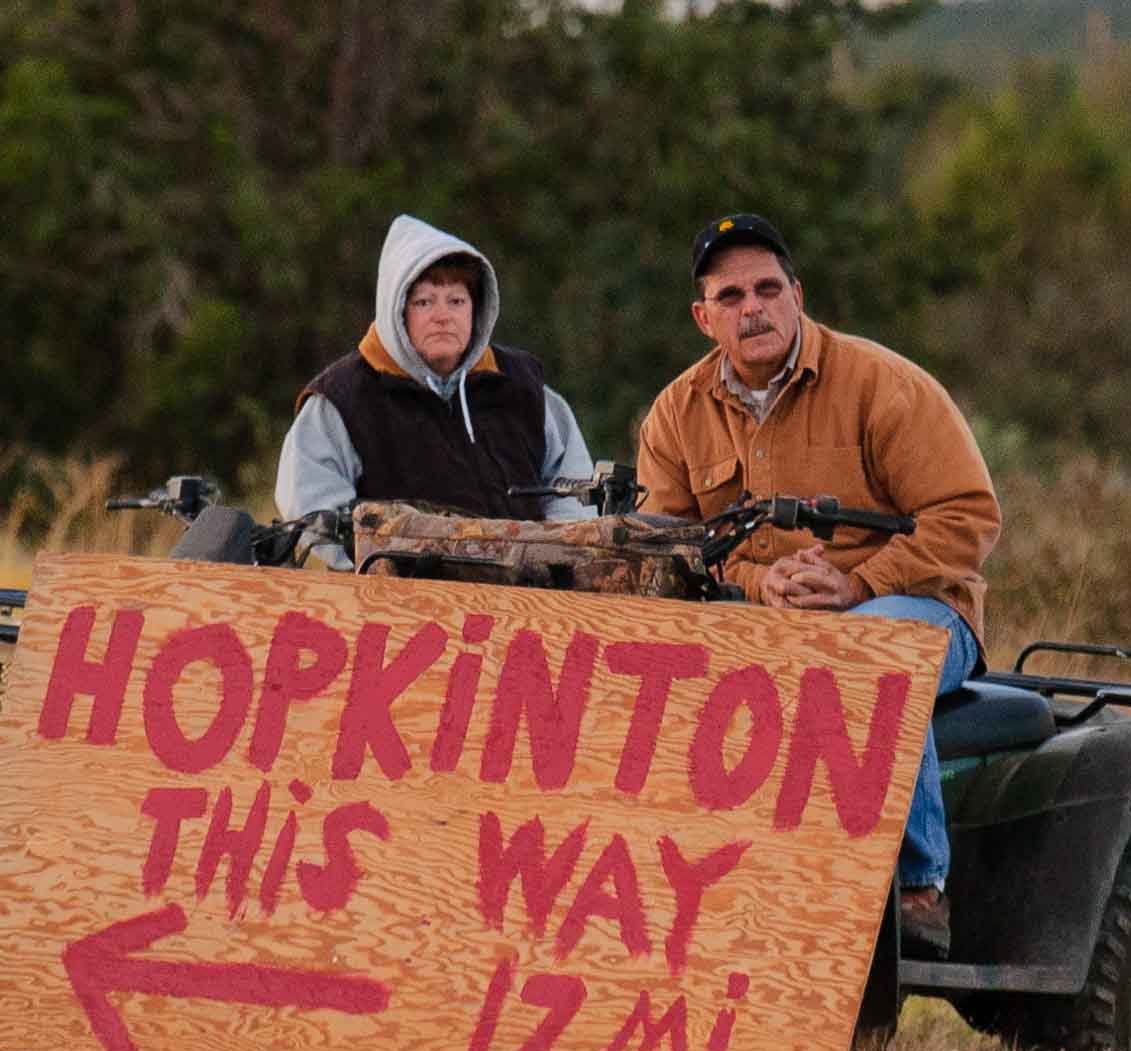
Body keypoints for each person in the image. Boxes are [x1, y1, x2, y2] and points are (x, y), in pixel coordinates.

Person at [635, 213, 1001, 955]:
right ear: (704, 318)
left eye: (768, 288)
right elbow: (669, 551)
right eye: (731, 295)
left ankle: (916, 891)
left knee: (866, 656)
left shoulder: (881, 384)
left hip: (915, 610)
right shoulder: (675, 414)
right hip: (761, 619)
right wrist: (755, 581)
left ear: (798, 295)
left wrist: (858, 584)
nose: (754, 307)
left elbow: (967, 515)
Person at [275, 214, 595, 558]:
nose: (443, 316)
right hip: (395, 603)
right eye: (424, 302)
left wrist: (557, 565)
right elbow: (311, 514)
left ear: (477, 309)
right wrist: (369, 576)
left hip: (526, 600)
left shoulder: (521, 386)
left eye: (456, 300)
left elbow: (575, 498)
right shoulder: (343, 400)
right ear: (397, 311)